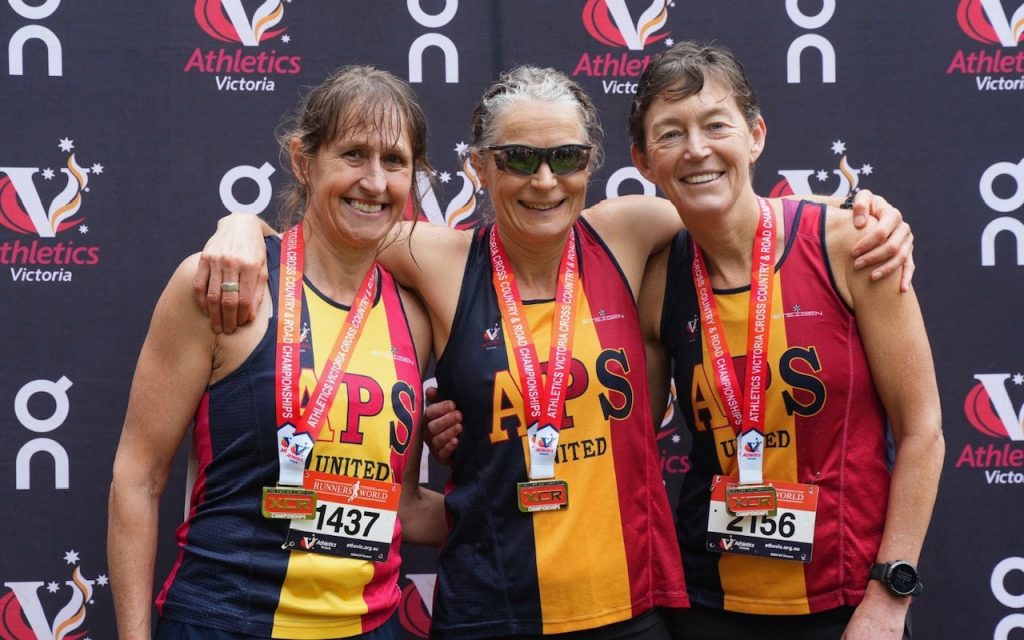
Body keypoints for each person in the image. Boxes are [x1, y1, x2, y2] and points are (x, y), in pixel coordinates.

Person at [195, 67, 914, 639]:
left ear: (591, 165)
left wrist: (867, 217)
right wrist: (241, 227)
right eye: (518, 159)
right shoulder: (436, 258)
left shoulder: (627, 232)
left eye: (566, 157)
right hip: (489, 611)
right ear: (481, 168)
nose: (544, 180)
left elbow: (733, 206)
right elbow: (332, 226)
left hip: (633, 612)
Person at [107, 66, 445, 640]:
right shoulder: (224, 287)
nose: (374, 181)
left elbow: (402, 504)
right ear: (303, 161)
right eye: (353, 154)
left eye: (394, 161)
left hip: (368, 627)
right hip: (225, 622)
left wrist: (537, 499)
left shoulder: (414, 317)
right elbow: (138, 479)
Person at [629, 42, 943, 639]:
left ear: (755, 136)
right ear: (643, 161)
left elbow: (922, 429)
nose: (696, 148)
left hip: (848, 604)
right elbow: (631, 441)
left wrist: (889, 596)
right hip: (706, 605)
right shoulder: (658, 281)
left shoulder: (854, 246)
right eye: (670, 133)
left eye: (716, 125)